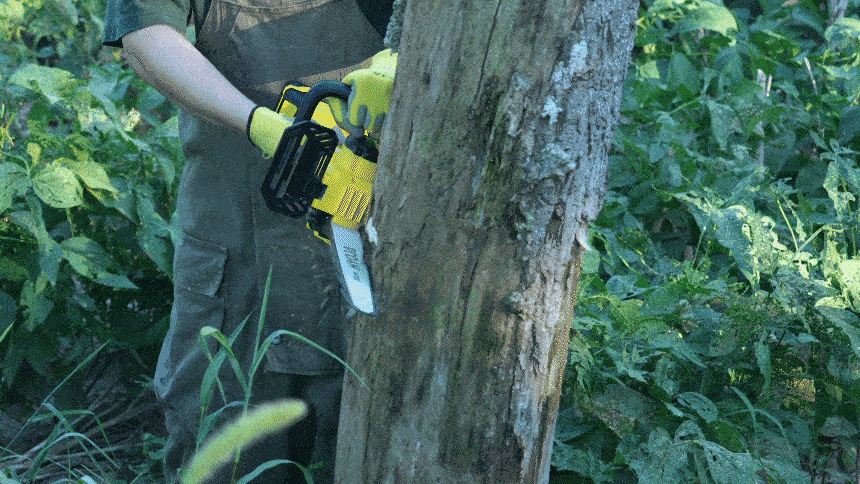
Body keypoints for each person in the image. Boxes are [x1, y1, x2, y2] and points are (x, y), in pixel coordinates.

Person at [101, 1, 396, 482]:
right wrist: (260, 124)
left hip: (387, 253)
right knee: (227, 462)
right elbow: (147, 36)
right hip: (236, 262)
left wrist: (404, 59)